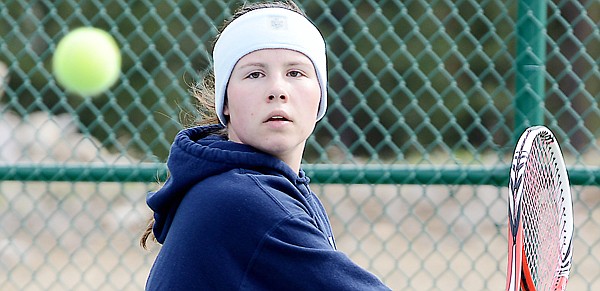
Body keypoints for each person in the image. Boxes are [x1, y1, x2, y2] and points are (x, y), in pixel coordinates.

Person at [141, 1, 391, 290]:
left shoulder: (270, 188)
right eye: (255, 74)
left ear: (320, 96)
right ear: (226, 101)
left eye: (295, 73)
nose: (277, 90)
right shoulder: (243, 200)